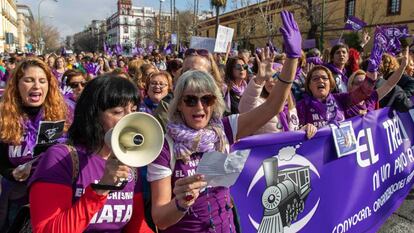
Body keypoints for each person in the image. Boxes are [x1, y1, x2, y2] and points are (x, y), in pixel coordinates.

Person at [147, 10, 302, 233]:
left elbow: (272, 106)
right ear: (178, 103)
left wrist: (292, 59)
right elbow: (160, 219)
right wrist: (180, 203)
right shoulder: (165, 146)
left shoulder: (226, 128)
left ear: (215, 101)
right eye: (190, 100)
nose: (200, 107)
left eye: (206, 99)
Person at [28, 75, 153, 233]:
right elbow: (46, 230)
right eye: (118, 111)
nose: (129, 119)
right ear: (93, 114)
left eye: (133, 111)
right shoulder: (61, 159)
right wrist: (101, 189)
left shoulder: (129, 162)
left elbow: (137, 226)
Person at [0, 57, 71, 231]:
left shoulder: (66, 113)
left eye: (42, 81)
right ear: (17, 85)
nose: (36, 86)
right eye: (29, 80)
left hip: (54, 200)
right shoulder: (3, 116)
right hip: (18, 199)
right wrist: (12, 173)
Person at [297, 48, 409, 127]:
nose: (320, 80)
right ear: (309, 85)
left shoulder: (340, 100)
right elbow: (291, 129)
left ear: (330, 84)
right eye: (315, 78)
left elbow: (386, 85)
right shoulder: (302, 106)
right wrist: (304, 130)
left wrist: (402, 67)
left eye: (324, 78)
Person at [239, 48, 316, 137]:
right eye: (267, 78)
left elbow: (291, 134)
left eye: (275, 77)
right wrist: (259, 79)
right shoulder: (259, 103)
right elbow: (245, 108)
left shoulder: (290, 106)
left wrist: (305, 129)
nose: (270, 81)